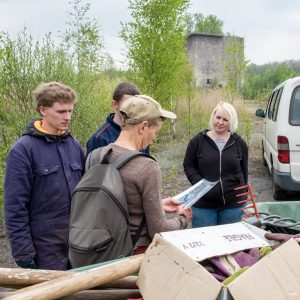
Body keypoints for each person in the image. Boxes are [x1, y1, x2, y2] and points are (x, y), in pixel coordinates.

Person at [94, 95, 192, 254]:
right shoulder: (146, 167)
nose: (154, 137)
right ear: (143, 127)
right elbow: (159, 229)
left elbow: (117, 204)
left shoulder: (97, 155)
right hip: (133, 255)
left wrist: (158, 204)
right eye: (156, 131)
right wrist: (182, 219)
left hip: (101, 250)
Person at [4, 82, 85, 270]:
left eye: (70, 111)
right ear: (43, 110)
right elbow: (15, 207)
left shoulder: (73, 145)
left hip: (78, 243)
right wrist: (23, 252)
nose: (68, 117)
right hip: (45, 249)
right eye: (61, 111)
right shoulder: (23, 150)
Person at [183, 101, 248, 228]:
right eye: (218, 117)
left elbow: (244, 171)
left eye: (225, 119)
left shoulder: (239, 143)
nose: (220, 122)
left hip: (233, 205)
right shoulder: (198, 141)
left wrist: (243, 196)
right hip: (203, 205)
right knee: (205, 243)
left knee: (230, 244)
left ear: (231, 122)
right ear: (213, 117)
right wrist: (200, 184)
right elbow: (188, 165)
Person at [86, 82, 149, 155]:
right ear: (115, 104)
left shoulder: (141, 133)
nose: (132, 109)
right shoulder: (99, 139)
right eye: (127, 105)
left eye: (135, 105)